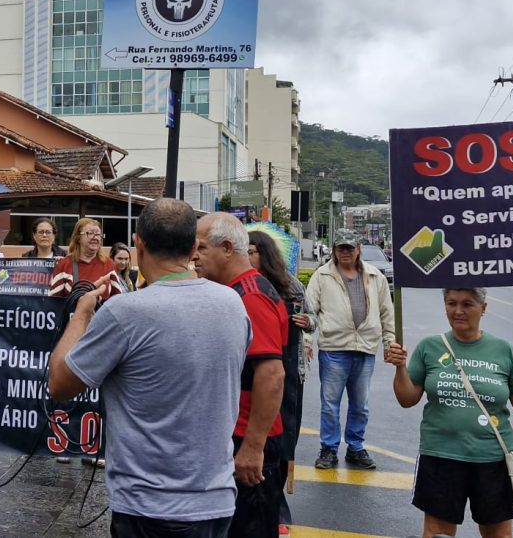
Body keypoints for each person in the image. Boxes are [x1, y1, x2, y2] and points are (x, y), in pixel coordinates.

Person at [49, 199, 251, 537]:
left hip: (148, 508)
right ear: (192, 249)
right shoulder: (233, 303)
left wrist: (81, 315)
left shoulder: (124, 313)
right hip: (216, 502)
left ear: (138, 244)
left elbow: (60, 384)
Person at [386, 288, 513, 538]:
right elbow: (407, 398)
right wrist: (400, 367)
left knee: (498, 534)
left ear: (484, 308)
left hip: (492, 459)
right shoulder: (429, 347)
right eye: (451, 303)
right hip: (440, 455)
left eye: (467, 304)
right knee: (437, 533)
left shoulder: (503, 350)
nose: (458, 311)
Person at [194, 212, 287, 538]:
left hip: (246, 438)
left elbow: (271, 373)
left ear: (228, 248)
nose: (194, 256)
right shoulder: (236, 291)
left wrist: (252, 447)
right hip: (233, 434)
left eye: (202, 248)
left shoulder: (250, 296)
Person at [306, 228, 394, 470]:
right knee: (330, 404)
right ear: (334, 251)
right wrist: (306, 342)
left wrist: (389, 343)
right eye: (340, 248)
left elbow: (387, 313)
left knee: (360, 404)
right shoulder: (321, 275)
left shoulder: (375, 276)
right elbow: (309, 311)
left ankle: (355, 447)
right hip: (334, 349)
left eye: (349, 248)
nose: (345, 252)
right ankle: (329, 449)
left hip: (365, 349)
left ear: (358, 250)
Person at [247, 230, 316, 535]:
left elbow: (313, 317)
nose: (247, 257)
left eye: (251, 251)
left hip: (288, 370)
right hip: (254, 371)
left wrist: (307, 322)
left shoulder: (290, 285)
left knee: (285, 438)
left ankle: (279, 510)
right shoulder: (240, 288)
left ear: (265, 254)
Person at [48, 218, 121, 299]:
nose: (95, 237)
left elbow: (117, 299)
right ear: (78, 237)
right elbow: (53, 302)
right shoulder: (64, 265)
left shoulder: (108, 264)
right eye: (90, 233)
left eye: (98, 234)